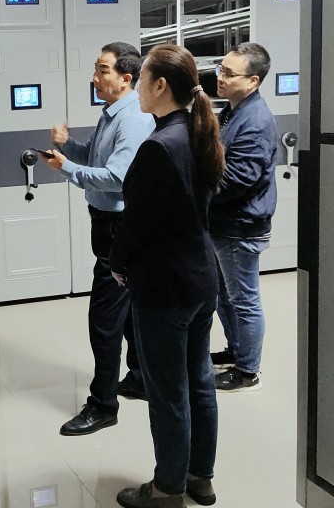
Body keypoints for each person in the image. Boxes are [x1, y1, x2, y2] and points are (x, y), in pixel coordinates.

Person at [109, 44, 223, 508]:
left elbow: (137, 221)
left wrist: (118, 263)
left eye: (141, 80)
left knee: (168, 392)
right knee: (200, 381)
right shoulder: (197, 134)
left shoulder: (159, 146)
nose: (136, 87)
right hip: (200, 278)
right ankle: (200, 478)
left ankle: (167, 489)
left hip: (166, 288)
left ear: (160, 86)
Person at [44, 42, 154, 436]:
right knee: (127, 312)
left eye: (103, 70)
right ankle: (140, 378)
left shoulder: (132, 120)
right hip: (109, 224)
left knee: (104, 321)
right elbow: (94, 157)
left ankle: (103, 405)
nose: (95, 77)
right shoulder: (112, 113)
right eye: (96, 68)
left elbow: (118, 177)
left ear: (126, 78)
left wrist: (67, 168)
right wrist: (66, 148)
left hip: (118, 229)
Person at [209, 42, 278, 392]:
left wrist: (195, 190)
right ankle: (236, 351)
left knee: (244, 299)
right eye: (220, 69)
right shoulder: (232, 110)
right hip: (225, 223)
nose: (220, 77)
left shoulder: (255, 121)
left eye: (229, 73)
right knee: (225, 294)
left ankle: (248, 371)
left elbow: (237, 180)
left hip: (241, 225)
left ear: (253, 81)